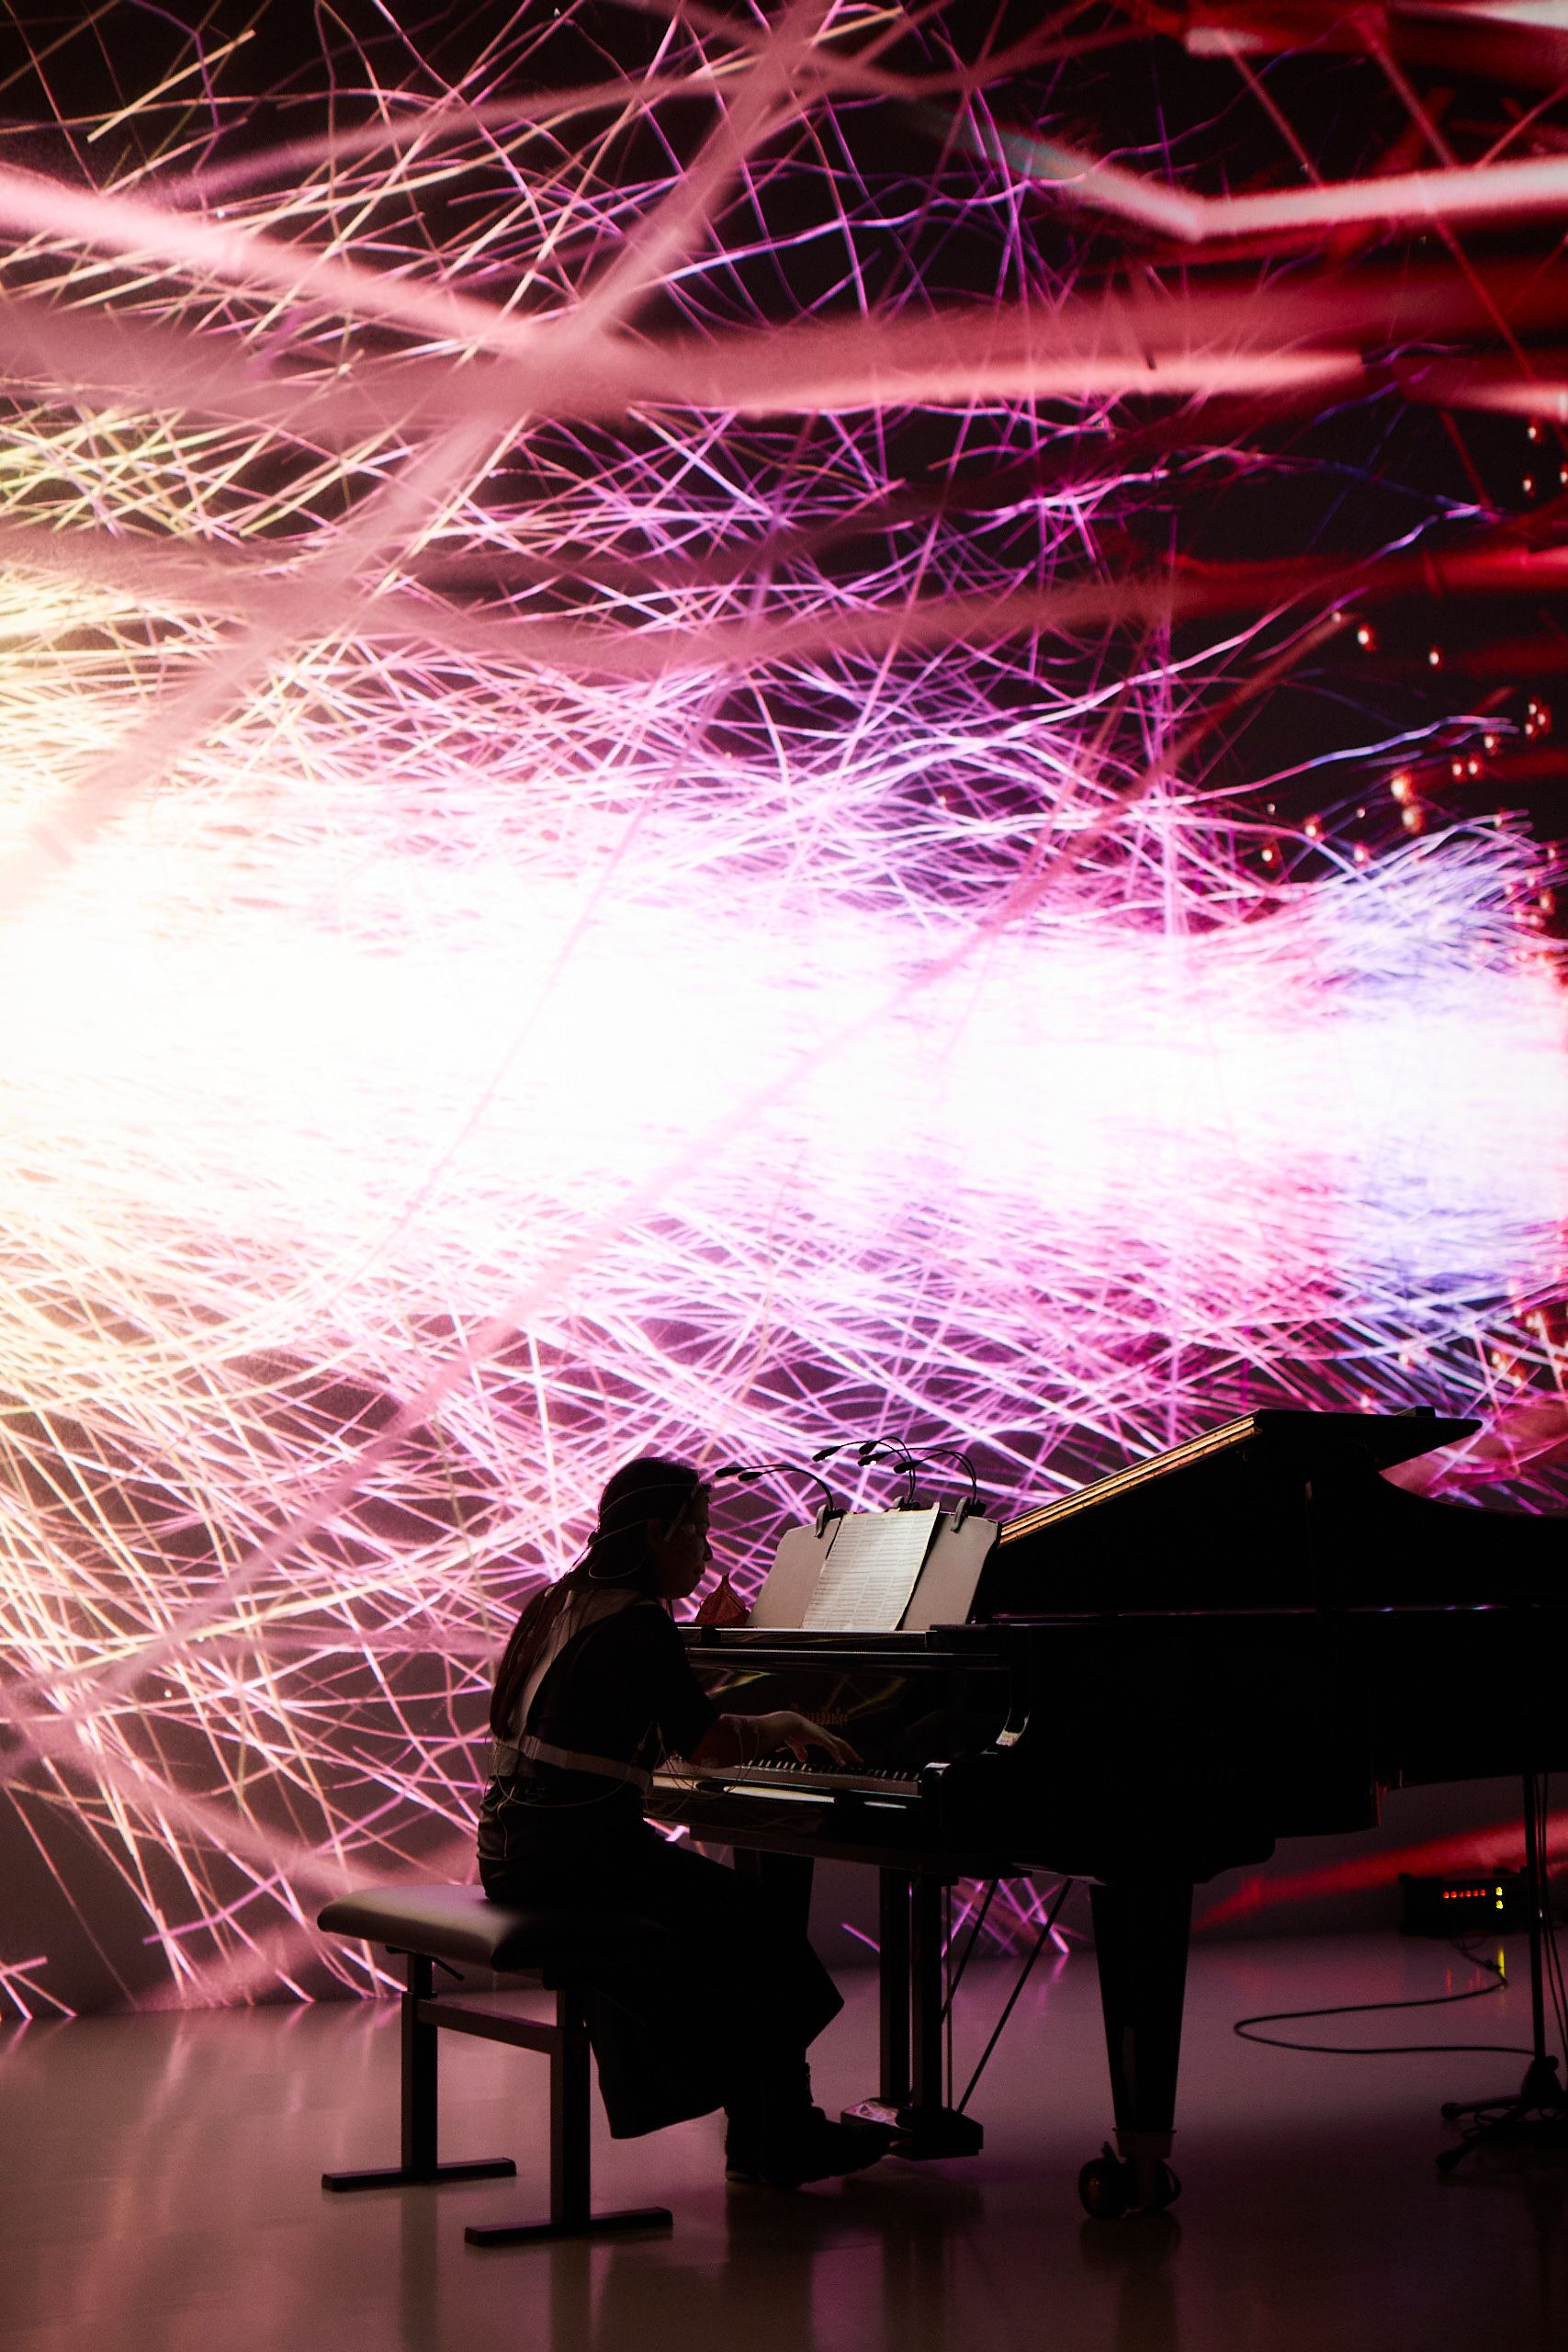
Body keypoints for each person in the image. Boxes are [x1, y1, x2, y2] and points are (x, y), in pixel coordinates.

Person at [477, 1455, 894, 2188]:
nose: (707, 1554)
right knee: (757, 1925)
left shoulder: (556, 1601)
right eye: (697, 1535)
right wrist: (784, 1720)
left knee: (728, 1924)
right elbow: (708, 1748)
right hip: (576, 1855)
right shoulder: (638, 1623)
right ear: (653, 1534)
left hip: (513, 1845)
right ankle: (781, 2134)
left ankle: (761, 2135)